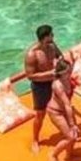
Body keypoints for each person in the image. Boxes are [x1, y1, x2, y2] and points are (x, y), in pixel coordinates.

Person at [24, 24, 61, 153]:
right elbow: (30, 76)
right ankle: (35, 139)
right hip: (41, 87)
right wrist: (50, 73)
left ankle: (69, 131)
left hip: (55, 82)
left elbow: (60, 57)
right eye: (52, 34)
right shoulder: (32, 54)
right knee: (40, 115)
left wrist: (61, 66)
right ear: (45, 37)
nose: (53, 36)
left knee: (64, 107)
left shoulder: (52, 46)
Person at [47, 56, 81, 161]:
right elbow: (67, 104)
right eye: (67, 72)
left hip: (66, 110)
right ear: (62, 73)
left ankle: (69, 155)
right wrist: (72, 124)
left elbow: (71, 64)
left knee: (75, 135)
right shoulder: (58, 85)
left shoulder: (67, 77)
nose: (70, 72)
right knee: (70, 137)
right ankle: (53, 155)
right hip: (56, 112)